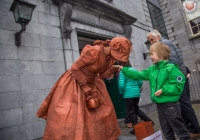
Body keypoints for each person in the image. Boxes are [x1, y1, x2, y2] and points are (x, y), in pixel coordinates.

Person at [36, 37, 132, 140]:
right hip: (76, 82)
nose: (118, 58)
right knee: (73, 116)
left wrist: (111, 70)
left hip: (93, 82)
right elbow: (75, 68)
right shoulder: (94, 51)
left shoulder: (110, 57)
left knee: (103, 112)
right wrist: (85, 87)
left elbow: (101, 73)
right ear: (113, 48)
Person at [114, 42, 190, 139]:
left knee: (179, 129)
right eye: (149, 54)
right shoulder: (152, 69)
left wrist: (163, 90)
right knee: (166, 130)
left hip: (171, 105)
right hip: (160, 105)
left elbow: (178, 83)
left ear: (161, 54)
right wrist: (124, 69)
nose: (150, 57)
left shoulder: (171, 68)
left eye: (152, 54)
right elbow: (138, 75)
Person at [147, 29, 200, 139]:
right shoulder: (167, 43)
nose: (151, 42)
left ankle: (195, 129)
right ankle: (189, 128)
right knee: (182, 104)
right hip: (180, 77)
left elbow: (171, 62)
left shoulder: (164, 44)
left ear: (158, 36)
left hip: (176, 80)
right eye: (149, 41)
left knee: (184, 105)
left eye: (152, 40)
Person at [117, 61, 153, 133]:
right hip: (136, 94)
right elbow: (140, 82)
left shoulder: (122, 72)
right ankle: (149, 121)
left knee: (131, 111)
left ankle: (136, 129)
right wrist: (137, 89)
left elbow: (121, 85)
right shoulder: (134, 70)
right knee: (136, 109)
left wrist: (122, 92)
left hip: (128, 95)